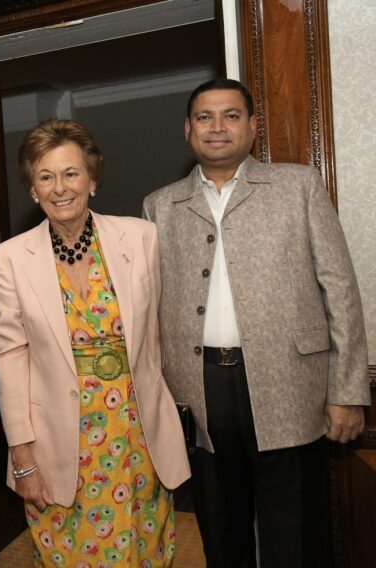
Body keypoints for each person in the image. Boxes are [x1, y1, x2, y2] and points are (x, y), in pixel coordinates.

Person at [142, 78, 370, 568]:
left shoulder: (298, 185)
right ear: (188, 130)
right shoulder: (159, 205)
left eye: (231, 115)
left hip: (290, 387)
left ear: (252, 126)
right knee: (221, 530)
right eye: (205, 117)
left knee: (295, 534)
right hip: (199, 394)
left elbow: (342, 291)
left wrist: (348, 390)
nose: (217, 127)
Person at [0, 119, 190, 567]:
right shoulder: (9, 259)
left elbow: (162, 332)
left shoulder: (141, 237)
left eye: (71, 173)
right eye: (46, 176)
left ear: (93, 180)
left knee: (143, 548)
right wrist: (22, 456)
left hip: (137, 436)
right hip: (59, 442)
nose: (60, 187)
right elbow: (9, 357)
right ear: (32, 189)